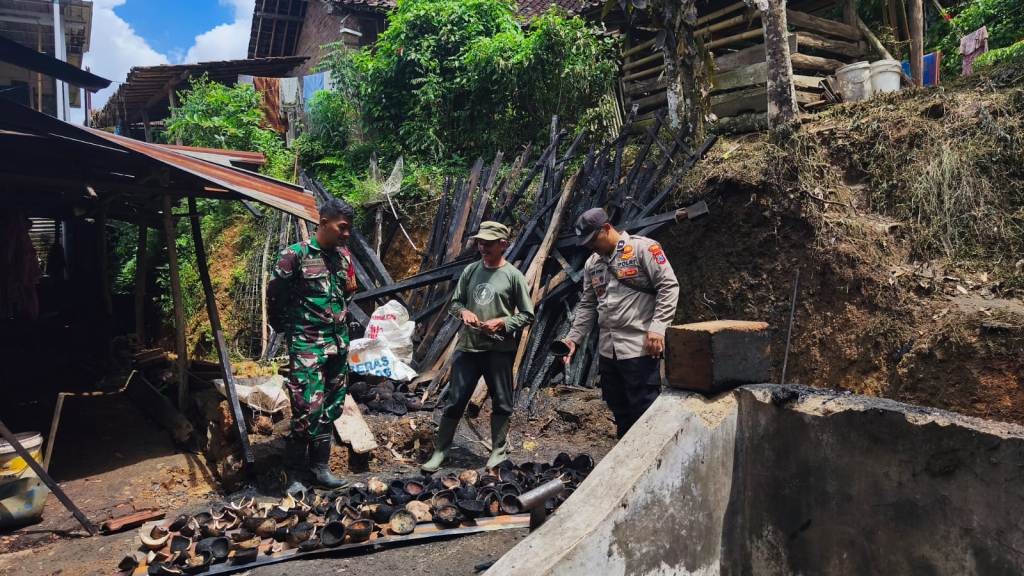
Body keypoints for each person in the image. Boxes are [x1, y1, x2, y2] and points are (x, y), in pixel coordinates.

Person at [422, 221, 535, 473]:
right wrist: (464, 313)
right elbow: (455, 303)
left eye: (489, 243)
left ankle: (498, 450)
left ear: (503, 245)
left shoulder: (514, 276)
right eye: (480, 242)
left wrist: (503, 322)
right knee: (455, 401)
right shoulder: (471, 271)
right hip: (469, 347)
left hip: (498, 349)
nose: (482, 246)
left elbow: (528, 314)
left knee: (502, 401)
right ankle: (441, 451)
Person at [561, 208, 679, 438]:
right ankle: (625, 461)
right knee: (620, 410)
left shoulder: (643, 248)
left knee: (645, 412)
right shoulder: (592, 263)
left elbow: (669, 286)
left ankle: (648, 465)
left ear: (606, 228)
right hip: (609, 352)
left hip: (639, 348)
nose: (589, 246)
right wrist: (573, 338)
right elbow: (587, 305)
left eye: (592, 239)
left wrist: (658, 328)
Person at [267, 198, 359, 488]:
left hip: (337, 344)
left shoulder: (343, 258)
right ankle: (293, 475)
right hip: (307, 345)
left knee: (332, 407)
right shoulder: (295, 255)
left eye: (349, 229)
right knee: (307, 408)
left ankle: (320, 469)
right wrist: (289, 329)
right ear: (324, 222)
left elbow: (346, 293)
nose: (346, 234)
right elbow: (274, 295)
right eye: (342, 227)